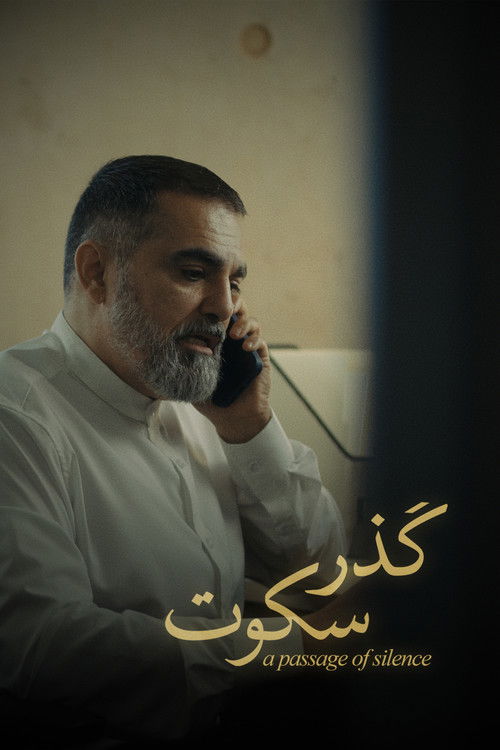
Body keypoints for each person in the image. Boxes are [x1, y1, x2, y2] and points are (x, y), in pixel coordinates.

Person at [0, 155, 347, 745]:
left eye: (234, 281)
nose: (225, 307)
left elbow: (321, 580)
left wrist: (250, 430)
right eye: (193, 273)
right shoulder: (17, 416)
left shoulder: (203, 404)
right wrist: (300, 645)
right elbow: (40, 650)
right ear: (96, 272)